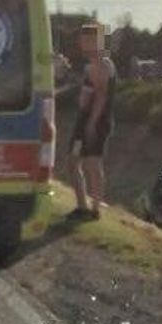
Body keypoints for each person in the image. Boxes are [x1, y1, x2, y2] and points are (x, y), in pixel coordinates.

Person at [68, 23, 117, 220]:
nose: (82, 43)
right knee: (72, 162)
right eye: (82, 39)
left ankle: (95, 208)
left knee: (92, 164)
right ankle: (82, 206)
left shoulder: (103, 64)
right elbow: (87, 94)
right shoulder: (89, 65)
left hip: (96, 122)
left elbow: (102, 96)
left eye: (87, 39)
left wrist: (92, 123)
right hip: (83, 120)